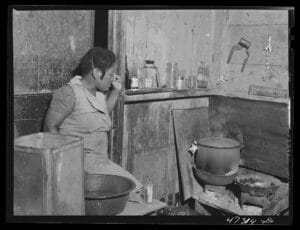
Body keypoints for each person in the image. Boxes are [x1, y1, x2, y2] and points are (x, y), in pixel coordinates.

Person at [44, 47, 142, 191]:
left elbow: (102, 116)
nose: (114, 78)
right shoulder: (69, 93)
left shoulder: (98, 93)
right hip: (80, 163)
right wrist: (65, 165)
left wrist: (115, 92)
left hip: (99, 162)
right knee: (136, 189)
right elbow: (49, 127)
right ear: (96, 73)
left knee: (130, 189)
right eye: (110, 74)